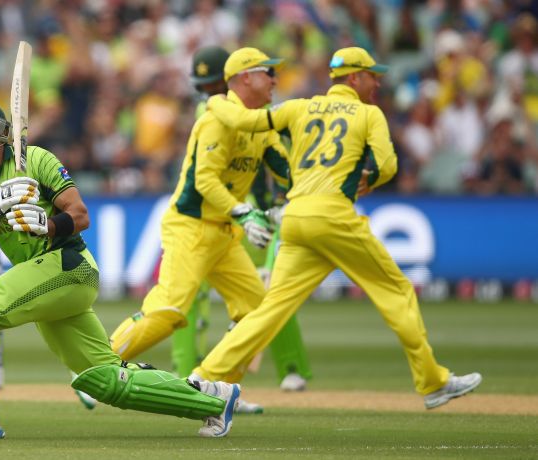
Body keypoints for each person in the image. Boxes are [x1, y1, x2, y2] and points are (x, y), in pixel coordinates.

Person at [0, 98, 240, 440]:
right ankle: (212, 399)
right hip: (44, 280)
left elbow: (80, 216)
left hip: (69, 265)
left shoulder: (36, 159)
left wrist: (46, 224)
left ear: (0, 131)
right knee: (105, 380)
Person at [196, 47, 482, 409]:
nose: (377, 82)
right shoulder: (368, 114)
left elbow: (246, 121)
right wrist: (370, 178)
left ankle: (206, 374)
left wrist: (216, 102)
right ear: (353, 78)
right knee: (396, 291)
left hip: (296, 219)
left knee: (271, 310)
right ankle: (432, 381)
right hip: (333, 216)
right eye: (371, 75)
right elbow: (389, 165)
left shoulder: (299, 106)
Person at [109, 48, 290, 400]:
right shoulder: (216, 119)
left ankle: (217, 391)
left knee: (258, 314)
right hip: (190, 226)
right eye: (269, 72)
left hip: (224, 233)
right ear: (247, 77)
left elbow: (283, 168)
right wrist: (244, 211)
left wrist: (291, 199)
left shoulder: (261, 123)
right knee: (170, 310)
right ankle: (98, 364)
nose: (275, 80)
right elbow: (205, 181)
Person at [172, 46, 311, 396]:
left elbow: (275, 162)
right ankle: (191, 373)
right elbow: (205, 171)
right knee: (186, 302)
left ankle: (289, 367)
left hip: (252, 211)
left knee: (269, 295)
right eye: (202, 87)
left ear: (232, 80)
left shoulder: (252, 109)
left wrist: (277, 206)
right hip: (212, 209)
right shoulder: (213, 109)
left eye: (212, 85)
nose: (207, 94)